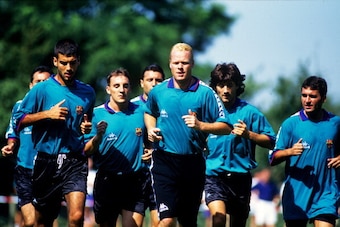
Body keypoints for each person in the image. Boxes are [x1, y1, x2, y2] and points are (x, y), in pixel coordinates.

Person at [144, 42, 233, 227]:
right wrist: (151, 129)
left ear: (192, 64)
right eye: (176, 63)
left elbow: (226, 126)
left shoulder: (205, 93)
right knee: (167, 220)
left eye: (184, 63)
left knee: (188, 222)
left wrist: (201, 125)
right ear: (170, 63)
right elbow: (149, 112)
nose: (180, 67)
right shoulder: (159, 92)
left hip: (193, 162)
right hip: (164, 161)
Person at [13, 38, 95, 227]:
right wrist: (46, 114)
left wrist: (86, 127)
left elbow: (87, 121)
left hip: (74, 161)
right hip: (46, 161)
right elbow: (18, 121)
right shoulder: (41, 89)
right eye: (64, 63)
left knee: (76, 217)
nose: (68, 68)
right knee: (43, 221)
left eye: (72, 63)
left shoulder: (87, 92)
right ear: (55, 62)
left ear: (78, 61)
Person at [204, 63, 276, 227]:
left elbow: (272, 142)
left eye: (230, 85)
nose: (226, 90)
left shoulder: (250, 112)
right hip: (214, 177)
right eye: (221, 85)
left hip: (240, 179)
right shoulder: (208, 111)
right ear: (215, 87)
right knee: (218, 219)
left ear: (237, 85)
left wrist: (249, 134)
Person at [269, 76, 340, 227]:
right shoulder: (291, 124)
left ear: (324, 98)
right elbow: (273, 157)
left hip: (326, 194)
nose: (307, 100)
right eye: (304, 95)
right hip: (297, 196)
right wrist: (290, 151)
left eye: (313, 96)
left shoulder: (335, 123)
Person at [84, 68, 150, 227]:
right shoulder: (96, 114)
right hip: (107, 181)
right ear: (108, 89)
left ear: (131, 88)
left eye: (125, 86)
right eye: (117, 86)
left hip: (135, 180)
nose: (122, 90)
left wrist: (151, 150)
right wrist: (98, 137)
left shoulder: (142, 111)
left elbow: (153, 136)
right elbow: (86, 150)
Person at [1, 65, 52, 227]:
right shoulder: (20, 106)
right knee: (30, 221)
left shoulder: (57, 109)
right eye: (38, 81)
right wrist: (10, 145)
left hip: (48, 172)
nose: (42, 85)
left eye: (46, 81)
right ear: (31, 85)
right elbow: (13, 131)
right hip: (24, 170)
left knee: (43, 221)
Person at [131, 63, 165, 227]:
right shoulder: (131, 107)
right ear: (141, 82)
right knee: (133, 223)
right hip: (136, 174)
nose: (154, 83)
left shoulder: (169, 105)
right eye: (150, 79)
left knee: (159, 222)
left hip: (162, 172)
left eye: (158, 80)